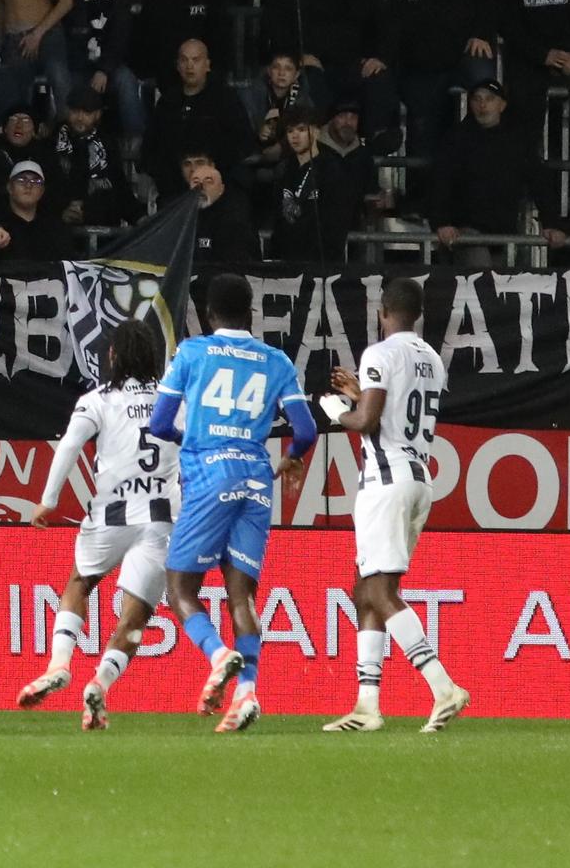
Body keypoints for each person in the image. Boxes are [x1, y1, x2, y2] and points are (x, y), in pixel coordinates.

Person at [152, 270, 317, 733]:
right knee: (241, 594)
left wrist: (196, 438)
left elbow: (161, 423)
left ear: (207, 314)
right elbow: (305, 431)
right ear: (252, 313)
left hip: (210, 475)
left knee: (180, 588)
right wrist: (289, 459)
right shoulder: (277, 360)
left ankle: (219, 654)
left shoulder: (192, 352)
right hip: (256, 479)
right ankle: (246, 694)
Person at [316, 277, 473, 733]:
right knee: (365, 590)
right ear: (417, 314)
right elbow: (392, 408)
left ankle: (443, 687)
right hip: (419, 477)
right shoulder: (432, 360)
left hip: (384, 481)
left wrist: (335, 411)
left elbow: (368, 421)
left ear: (382, 312)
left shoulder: (379, 354)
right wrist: (359, 391)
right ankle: (367, 705)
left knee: (380, 593)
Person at [15, 312, 170, 719]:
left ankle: (59, 664)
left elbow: (68, 446)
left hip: (111, 515)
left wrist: (48, 501)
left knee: (79, 583)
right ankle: (99, 683)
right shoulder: (175, 399)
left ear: (113, 356)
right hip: (161, 518)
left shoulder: (98, 398)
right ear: (154, 359)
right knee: (135, 617)